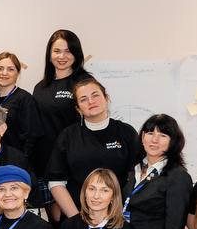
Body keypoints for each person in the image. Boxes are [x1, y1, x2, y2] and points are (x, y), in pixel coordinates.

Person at [46, 76, 141, 218]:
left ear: (106, 98)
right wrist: (76, 219)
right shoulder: (68, 136)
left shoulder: (126, 132)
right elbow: (56, 182)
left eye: (95, 95)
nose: (91, 101)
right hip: (77, 215)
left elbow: (138, 176)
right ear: (78, 109)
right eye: (83, 99)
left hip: (118, 217)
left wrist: (121, 215)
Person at [119, 113, 193, 229]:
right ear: (142, 137)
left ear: (173, 142)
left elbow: (175, 226)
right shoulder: (134, 169)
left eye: (163, 135)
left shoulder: (177, 176)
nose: (154, 139)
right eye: (150, 133)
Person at [31, 28, 90, 179]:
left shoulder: (85, 83)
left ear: (76, 54)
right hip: (42, 163)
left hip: (70, 163)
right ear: (49, 55)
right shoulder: (40, 87)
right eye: (57, 51)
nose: (62, 56)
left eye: (68, 51)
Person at [0, 51, 40, 156]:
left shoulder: (25, 99)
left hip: (15, 159)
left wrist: (22, 160)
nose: (4, 73)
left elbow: (31, 137)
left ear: (17, 73)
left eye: (10, 69)